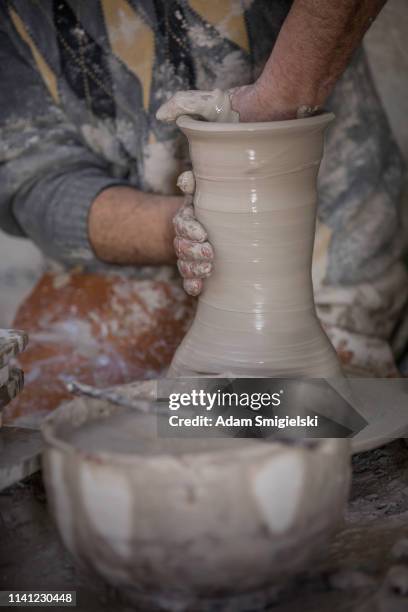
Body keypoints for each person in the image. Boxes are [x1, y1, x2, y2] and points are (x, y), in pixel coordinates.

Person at [0, 1, 406, 423]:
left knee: (304, 427)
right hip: (129, 281)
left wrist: (282, 100)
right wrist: (187, 228)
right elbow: (38, 179)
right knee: (59, 428)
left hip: (325, 269)